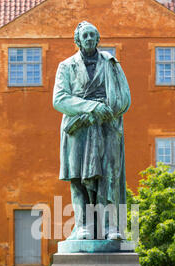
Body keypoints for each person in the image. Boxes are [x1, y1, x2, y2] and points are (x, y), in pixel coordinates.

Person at [53, 21, 131, 240]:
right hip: (78, 128)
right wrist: (91, 106)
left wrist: (109, 110)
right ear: (77, 40)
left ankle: (110, 226)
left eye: (92, 35)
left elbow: (125, 97)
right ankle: (83, 226)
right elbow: (59, 99)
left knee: (109, 176)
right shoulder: (66, 66)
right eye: (84, 36)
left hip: (107, 126)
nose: (88, 39)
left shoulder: (112, 64)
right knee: (77, 177)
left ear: (98, 39)